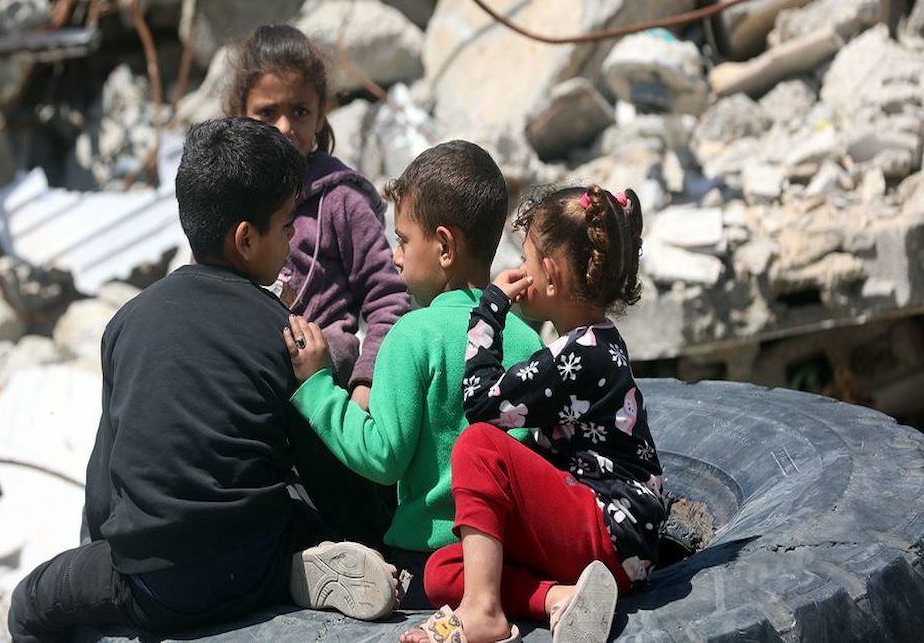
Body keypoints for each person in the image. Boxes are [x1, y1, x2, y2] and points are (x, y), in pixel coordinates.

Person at [7, 118, 397, 643]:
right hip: (253, 561)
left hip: (154, 588)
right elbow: (326, 477)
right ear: (245, 238)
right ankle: (296, 569)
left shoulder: (126, 322)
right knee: (292, 509)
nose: (290, 242)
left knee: (29, 602)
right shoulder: (283, 332)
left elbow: (105, 482)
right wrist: (367, 528)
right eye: (286, 228)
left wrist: (101, 555)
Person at [281, 140, 544, 609]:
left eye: (402, 240)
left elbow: (382, 457)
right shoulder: (526, 338)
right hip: (510, 559)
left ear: (444, 247)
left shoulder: (412, 333)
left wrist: (318, 386)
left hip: (428, 561)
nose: (396, 257)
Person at [403, 185, 666, 643]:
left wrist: (490, 308)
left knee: (478, 444)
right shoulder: (591, 346)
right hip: (604, 551)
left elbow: (481, 403)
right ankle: (559, 598)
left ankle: (482, 613)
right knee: (443, 569)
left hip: (607, 530)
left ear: (550, 274)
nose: (518, 270)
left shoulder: (582, 355)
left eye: (525, 259)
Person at [226, 23, 412, 548]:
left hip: (329, 379)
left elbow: (388, 296)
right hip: (259, 375)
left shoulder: (343, 200)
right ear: (240, 112)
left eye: (300, 112)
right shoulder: (233, 199)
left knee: (342, 503)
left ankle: (361, 553)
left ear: (321, 113)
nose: (285, 127)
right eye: (267, 112)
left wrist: (367, 381)